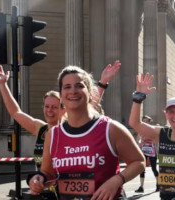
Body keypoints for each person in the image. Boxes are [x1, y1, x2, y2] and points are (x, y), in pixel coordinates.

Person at [28, 66, 144, 200]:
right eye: (67, 87)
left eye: (79, 86)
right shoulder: (54, 134)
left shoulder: (110, 128)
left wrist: (117, 180)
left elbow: (139, 161)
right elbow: (47, 173)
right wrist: (38, 179)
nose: (73, 91)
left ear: (89, 92)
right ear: (61, 95)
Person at [0, 61, 120, 169]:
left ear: (64, 109)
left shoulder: (71, 129)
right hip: (44, 187)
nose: (49, 111)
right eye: (47, 107)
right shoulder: (40, 128)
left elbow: (89, 104)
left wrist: (103, 82)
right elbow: (15, 112)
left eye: (54, 107)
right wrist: (2, 84)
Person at [135, 115, 160, 193]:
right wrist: (141, 141)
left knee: (154, 168)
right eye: (144, 121)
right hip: (144, 150)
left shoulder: (152, 130)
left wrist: (150, 141)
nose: (145, 122)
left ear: (149, 122)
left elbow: (156, 141)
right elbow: (138, 140)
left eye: (147, 121)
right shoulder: (141, 130)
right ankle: (141, 187)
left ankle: (158, 184)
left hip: (152, 151)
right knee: (142, 169)